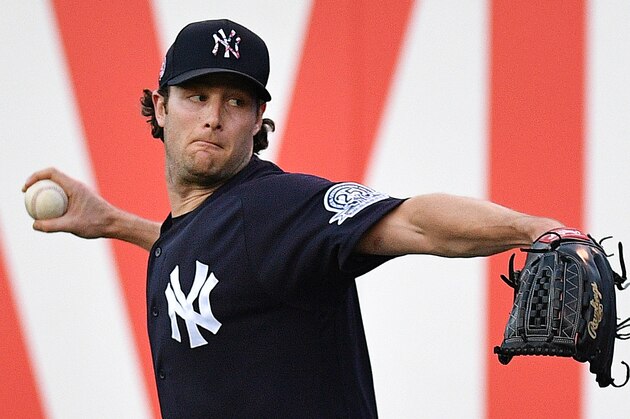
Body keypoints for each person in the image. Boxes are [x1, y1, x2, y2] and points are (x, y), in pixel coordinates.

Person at [24, 19, 563, 418]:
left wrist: (534, 229)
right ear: (161, 108)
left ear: (259, 119)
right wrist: (114, 222)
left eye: (236, 102)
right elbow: (211, 263)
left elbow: (412, 220)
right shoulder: (212, 227)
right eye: (196, 96)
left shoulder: (276, 207)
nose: (213, 117)